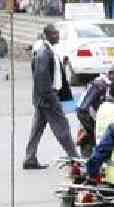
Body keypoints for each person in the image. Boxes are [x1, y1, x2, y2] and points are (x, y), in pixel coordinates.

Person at [24, 24, 79, 170]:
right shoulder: (44, 52)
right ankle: (75, 158)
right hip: (48, 97)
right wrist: (50, 97)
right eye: (55, 34)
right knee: (62, 127)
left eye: (58, 33)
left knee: (36, 129)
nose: (58, 36)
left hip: (42, 98)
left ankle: (29, 158)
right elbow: (42, 76)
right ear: (48, 35)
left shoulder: (47, 49)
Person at [75, 63, 114, 157]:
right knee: (90, 161)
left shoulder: (110, 86)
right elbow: (81, 110)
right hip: (89, 129)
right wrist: (93, 130)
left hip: (100, 129)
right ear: (111, 74)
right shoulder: (98, 85)